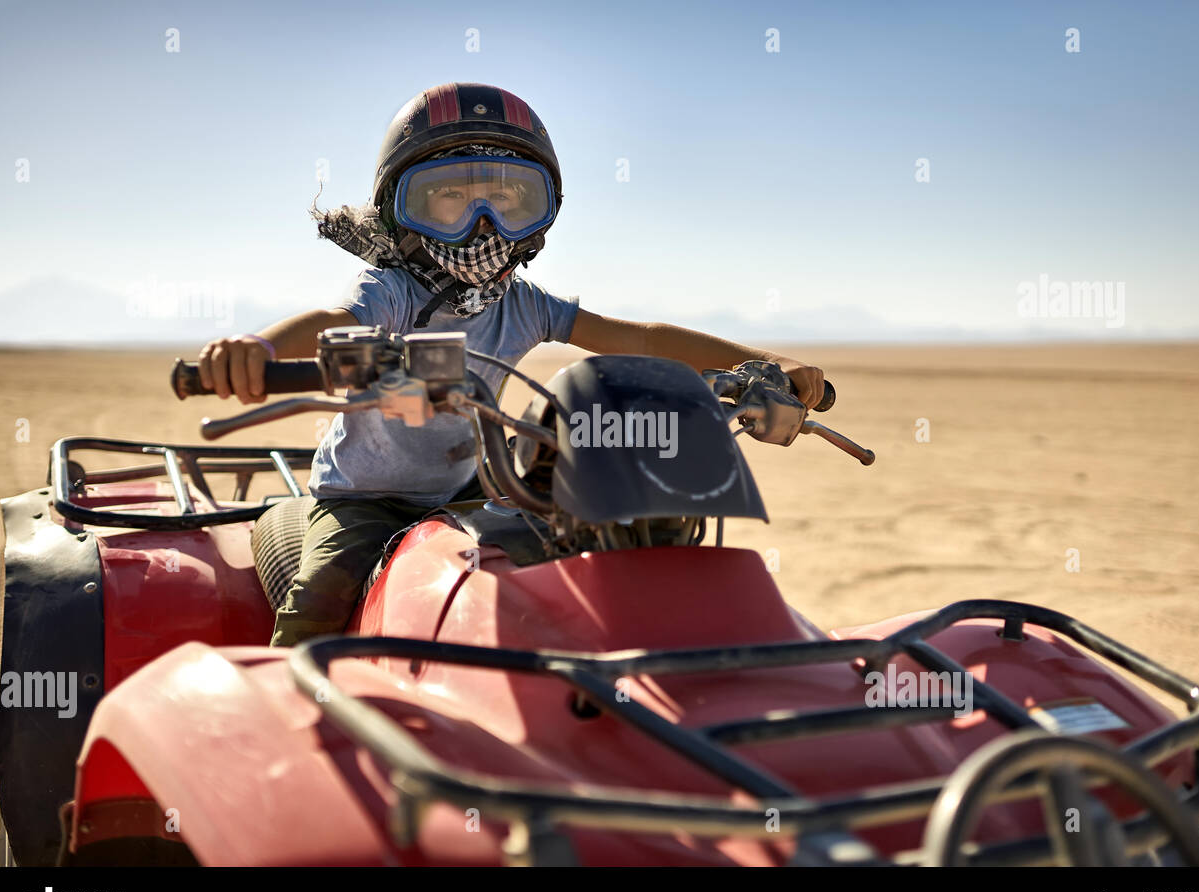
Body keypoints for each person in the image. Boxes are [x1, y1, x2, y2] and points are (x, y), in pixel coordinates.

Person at [196, 82, 826, 648]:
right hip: (367, 496)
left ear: (540, 212)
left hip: (474, 484)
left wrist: (763, 362)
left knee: (553, 569)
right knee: (322, 601)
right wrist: (262, 349)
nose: (483, 225)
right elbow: (334, 322)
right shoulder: (391, 290)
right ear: (402, 210)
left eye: (508, 198)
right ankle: (299, 716)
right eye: (448, 198)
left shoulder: (523, 305)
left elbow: (636, 338)